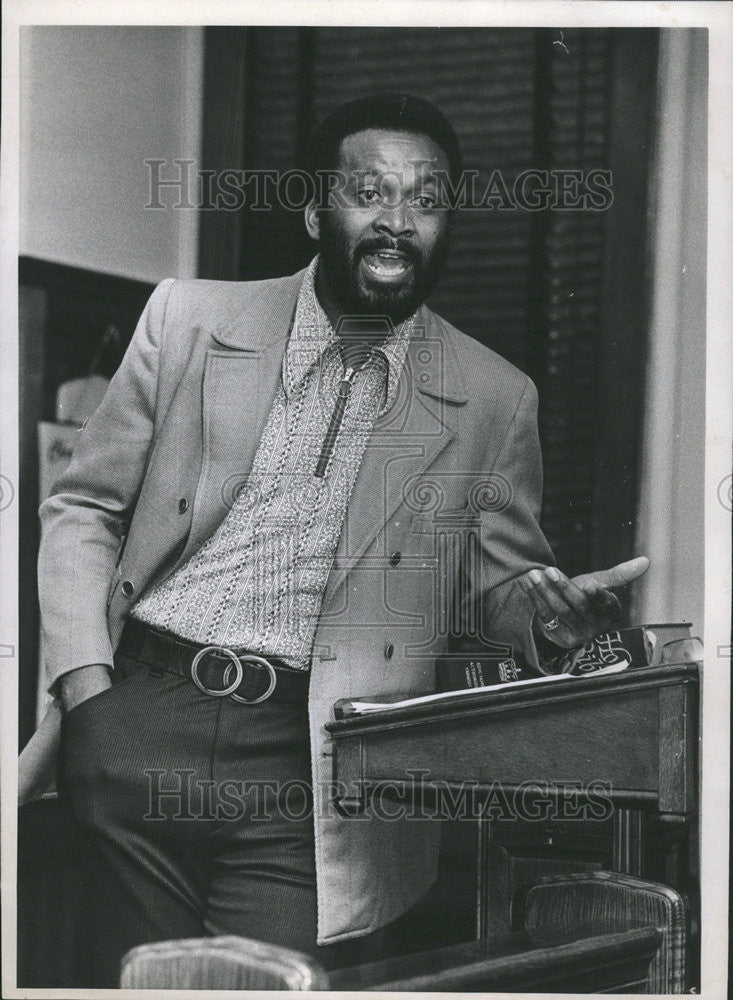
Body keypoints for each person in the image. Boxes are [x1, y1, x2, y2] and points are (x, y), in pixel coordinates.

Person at [29, 92, 648, 986]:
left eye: (427, 200)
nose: (397, 222)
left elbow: (497, 585)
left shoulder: (492, 395)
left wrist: (554, 616)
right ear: (317, 209)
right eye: (369, 192)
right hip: (139, 720)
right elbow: (83, 508)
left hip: (315, 761)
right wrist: (88, 690)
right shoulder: (187, 321)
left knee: (275, 985)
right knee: (133, 984)